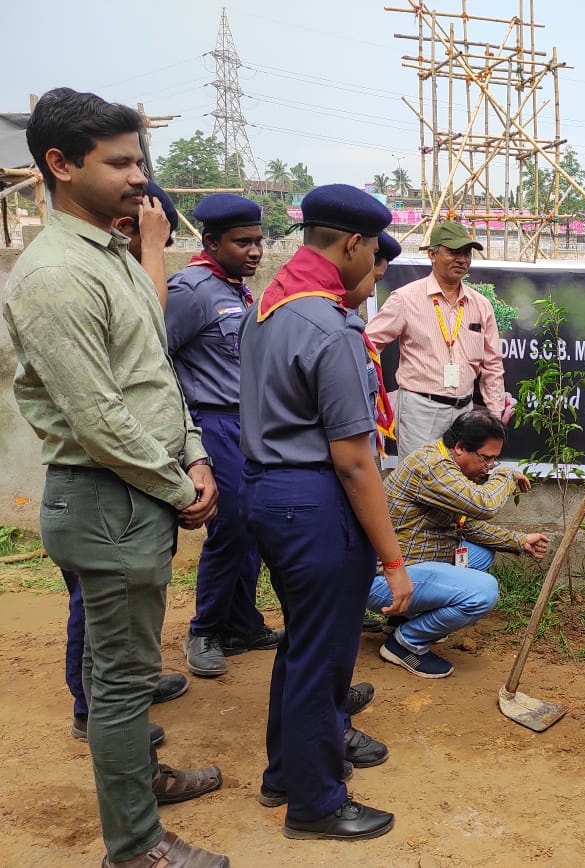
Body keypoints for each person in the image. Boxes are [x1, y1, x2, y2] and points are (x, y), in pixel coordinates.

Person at [4, 88, 226, 867]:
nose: (141, 177)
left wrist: (193, 451)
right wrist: (177, 484)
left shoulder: (113, 256)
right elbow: (98, 416)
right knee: (121, 682)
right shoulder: (56, 274)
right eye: (121, 162)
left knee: (128, 672)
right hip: (108, 499)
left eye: (141, 160)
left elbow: (154, 376)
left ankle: (143, 785)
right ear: (60, 165)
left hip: (139, 494)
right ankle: (136, 847)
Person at [239, 183, 412, 841]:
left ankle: (285, 773)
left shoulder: (271, 307)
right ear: (352, 244)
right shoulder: (329, 325)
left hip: (270, 494)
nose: (370, 267)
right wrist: (394, 562)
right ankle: (313, 803)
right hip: (315, 504)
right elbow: (354, 459)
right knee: (323, 660)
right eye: (370, 252)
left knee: (299, 648)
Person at [63, 181, 187, 744]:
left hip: (135, 479)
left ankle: (121, 687)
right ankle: (92, 708)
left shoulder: (114, 272)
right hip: (101, 483)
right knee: (95, 601)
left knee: (117, 610)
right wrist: (153, 250)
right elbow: (151, 329)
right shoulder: (78, 275)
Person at [165, 192, 284, 679]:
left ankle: (241, 623)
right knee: (229, 528)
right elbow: (155, 357)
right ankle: (205, 629)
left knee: (251, 527)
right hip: (212, 423)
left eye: (258, 241)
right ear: (211, 242)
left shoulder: (237, 289)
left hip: (249, 423)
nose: (255, 251)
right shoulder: (190, 291)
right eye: (242, 243)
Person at [370, 410, 550, 678]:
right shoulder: (433, 467)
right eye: (486, 459)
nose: (489, 467)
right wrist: (506, 475)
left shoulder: (448, 464)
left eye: (494, 460)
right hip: (383, 578)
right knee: (483, 591)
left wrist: (519, 541)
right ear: (460, 448)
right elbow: (484, 505)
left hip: (408, 562)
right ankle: (405, 642)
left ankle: (402, 618)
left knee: (480, 555)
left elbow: (468, 525)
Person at [365, 220, 505, 457]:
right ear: (432, 254)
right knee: (419, 481)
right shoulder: (406, 299)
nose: (462, 259)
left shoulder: (481, 305)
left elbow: (492, 365)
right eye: (453, 252)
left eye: (467, 253)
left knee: (459, 483)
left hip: (465, 411)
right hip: (420, 409)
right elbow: (366, 346)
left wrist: (495, 416)